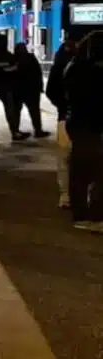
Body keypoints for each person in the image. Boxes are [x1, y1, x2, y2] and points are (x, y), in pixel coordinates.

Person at [62, 32, 103, 232]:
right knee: (92, 171)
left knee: (81, 170)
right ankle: (92, 215)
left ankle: (82, 213)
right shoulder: (91, 70)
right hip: (89, 124)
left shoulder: (75, 66)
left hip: (78, 122)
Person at [47, 37, 77, 209]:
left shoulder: (60, 63)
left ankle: (66, 195)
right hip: (84, 120)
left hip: (65, 117)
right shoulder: (89, 65)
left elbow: (51, 91)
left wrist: (62, 106)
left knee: (65, 158)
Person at [0, 38, 28, 141]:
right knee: (8, 110)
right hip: (2, 86)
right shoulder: (7, 55)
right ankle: (14, 132)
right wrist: (8, 66)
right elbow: (14, 66)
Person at [13, 42, 48, 138]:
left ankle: (15, 131)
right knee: (34, 111)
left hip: (18, 90)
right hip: (31, 90)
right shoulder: (30, 58)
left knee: (16, 111)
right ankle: (38, 130)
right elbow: (38, 73)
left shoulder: (14, 59)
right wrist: (40, 87)